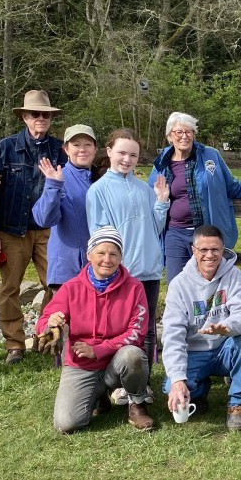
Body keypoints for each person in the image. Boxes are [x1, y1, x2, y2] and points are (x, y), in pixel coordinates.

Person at [36, 227, 154, 433]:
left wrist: (98, 349)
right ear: (89, 255)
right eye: (101, 253)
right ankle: (98, 397)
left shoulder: (135, 288)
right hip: (81, 363)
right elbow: (45, 319)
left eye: (113, 254)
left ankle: (136, 403)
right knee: (67, 424)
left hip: (117, 358)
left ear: (120, 258)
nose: (107, 259)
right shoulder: (71, 287)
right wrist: (50, 324)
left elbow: (136, 333)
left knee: (133, 356)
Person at [0, 90, 68, 365]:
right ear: (24, 117)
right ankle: (14, 344)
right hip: (12, 229)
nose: (41, 119)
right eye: (35, 114)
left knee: (55, 285)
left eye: (46, 114)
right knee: (10, 288)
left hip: (50, 230)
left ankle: (43, 334)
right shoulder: (5, 148)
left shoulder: (59, 149)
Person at [149, 112, 241, 285]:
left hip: (207, 234)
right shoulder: (162, 163)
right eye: (179, 132)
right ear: (169, 136)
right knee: (177, 284)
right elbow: (150, 194)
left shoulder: (210, 156)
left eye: (189, 132)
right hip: (176, 234)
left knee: (211, 285)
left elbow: (232, 186)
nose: (184, 136)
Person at [162, 225, 241, 432]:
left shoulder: (233, 275)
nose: (209, 255)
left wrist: (227, 327)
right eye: (203, 250)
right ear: (193, 250)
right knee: (172, 388)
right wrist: (178, 379)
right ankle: (198, 389)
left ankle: (238, 404)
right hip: (193, 351)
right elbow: (173, 335)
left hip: (225, 347)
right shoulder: (179, 285)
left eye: (215, 249)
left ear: (223, 249)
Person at [87, 128, 170, 366]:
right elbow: (100, 234)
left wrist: (161, 201)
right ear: (109, 151)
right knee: (120, 326)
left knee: (147, 327)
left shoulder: (144, 188)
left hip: (150, 269)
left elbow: (156, 227)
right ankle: (119, 378)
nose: (127, 160)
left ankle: (142, 384)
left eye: (133, 155)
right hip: (121, 272)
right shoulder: (98, 190)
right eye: (122, 153)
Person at [32, 124, 99, 289]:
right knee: (62, 316)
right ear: (66, 149)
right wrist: (53, 185)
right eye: (76, 145)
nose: (82, 149)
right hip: (68, 272)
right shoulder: (58, 177)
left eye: (87, 144)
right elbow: (43, 219)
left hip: (99, 270)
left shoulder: (100, 179)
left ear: (95, 149)